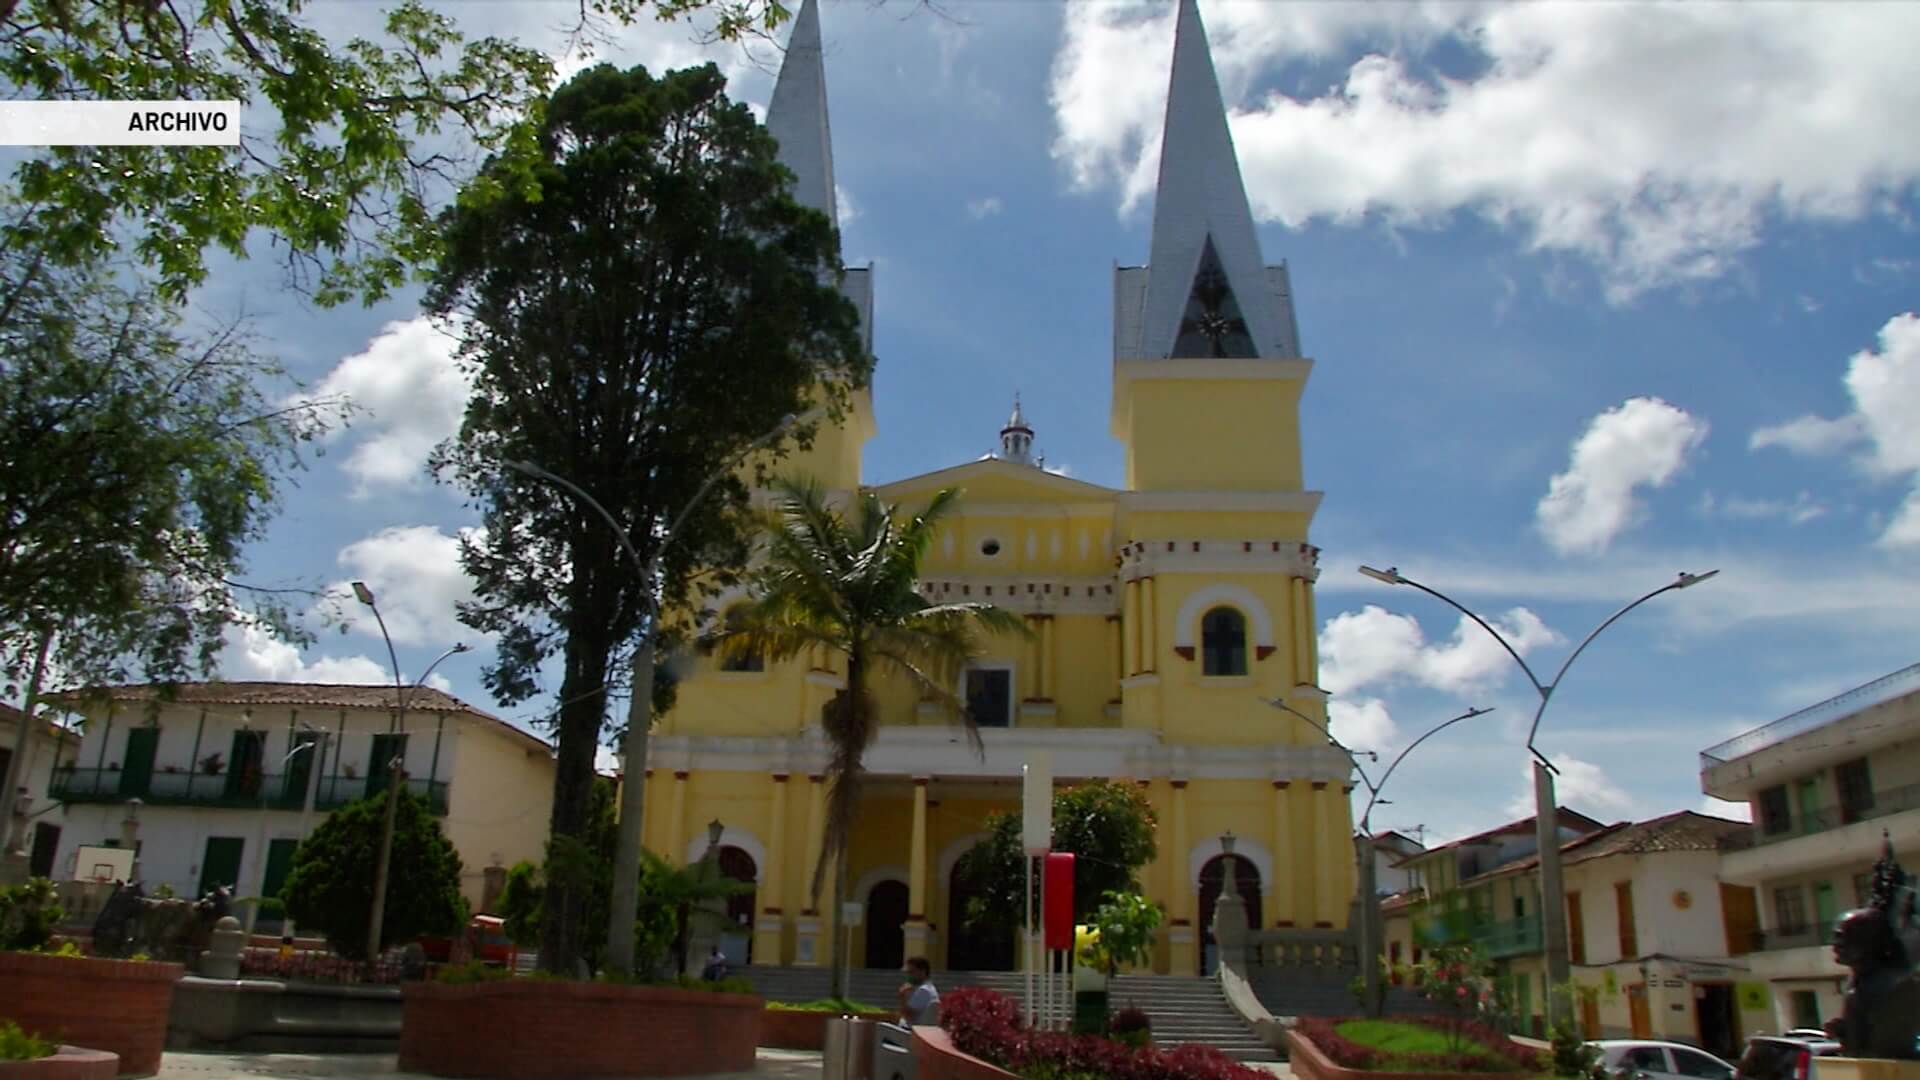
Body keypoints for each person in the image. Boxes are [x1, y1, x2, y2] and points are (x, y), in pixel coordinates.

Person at [898, 956, 940, 1026]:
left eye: (911, 972)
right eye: (907, 973)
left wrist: (902, 996)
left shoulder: (923, 991)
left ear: (922, 972)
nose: (908, 976)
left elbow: (908, 1015)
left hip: (911, 1031)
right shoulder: (929, 988)